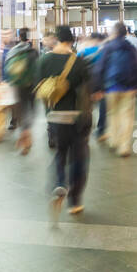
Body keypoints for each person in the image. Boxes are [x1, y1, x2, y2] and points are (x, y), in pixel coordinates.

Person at [33, 26, 93, 215]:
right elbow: (88, 89)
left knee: (60, 153)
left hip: (54, 117)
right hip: (77, 117)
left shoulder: (44, 60)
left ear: (57, 39)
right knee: (79, 157)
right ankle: (75, 201)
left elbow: (38, 87)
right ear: (72, 40)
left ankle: (60, 184)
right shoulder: (79, 61)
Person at [93, 21, 137, 157]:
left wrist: (97, 88)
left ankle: (114, 140)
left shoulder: (108, 47)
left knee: (112, 114)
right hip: (129, 87)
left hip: (111, 86)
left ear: (114, 33)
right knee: (126, 116)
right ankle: (124, 146)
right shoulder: (131, 47)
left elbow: (99, 68)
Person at [3, 27, 40, 152]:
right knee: (32, 110)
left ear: (19, 37)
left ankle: (24, 133)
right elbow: (37, 70)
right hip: (31, 86)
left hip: (17, 85)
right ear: (30, 37)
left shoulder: (13, 51)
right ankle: (27, 133)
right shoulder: (33, 51)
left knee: (21, 110)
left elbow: (7, 68)